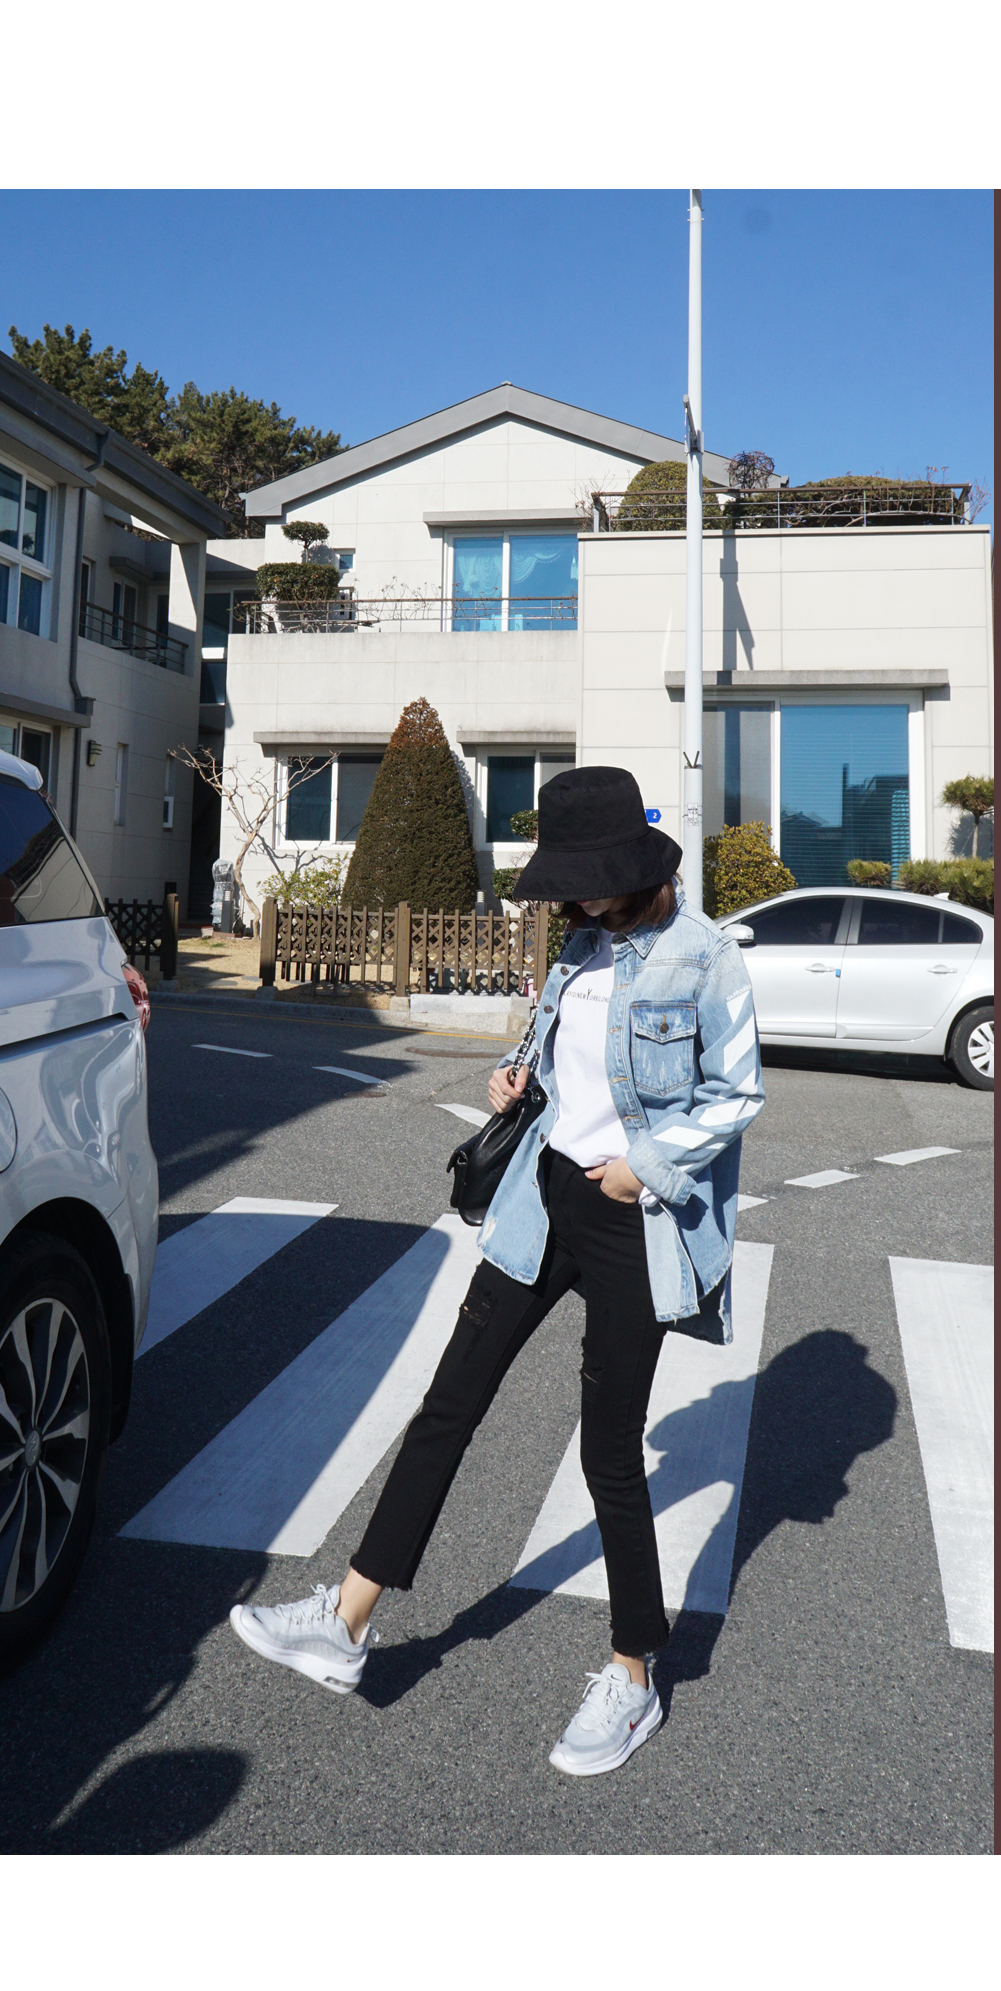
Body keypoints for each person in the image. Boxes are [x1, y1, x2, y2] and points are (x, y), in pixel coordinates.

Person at [230, 766, 764, 1777]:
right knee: (447, 1402)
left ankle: (633, 1675)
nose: (578, 901)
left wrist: (643, 1165)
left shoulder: (704, 957)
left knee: (609, 1454)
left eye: (589, 884)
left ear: (633, 867)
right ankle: (346, 1620)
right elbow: (567, 1067)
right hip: (541, 1195)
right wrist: (520, 1078)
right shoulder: (577, 945)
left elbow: (735, 1095)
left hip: (631, 1216)